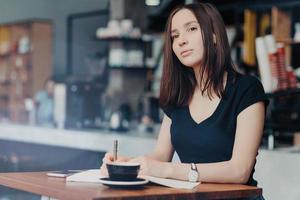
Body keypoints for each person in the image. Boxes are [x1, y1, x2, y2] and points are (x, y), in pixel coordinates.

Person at [101, 2, 268, 198]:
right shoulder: (178, 96)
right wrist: (126, 165)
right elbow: (161, 156)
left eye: (191, 29)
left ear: (214, 35)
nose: (181, 41)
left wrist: (166, 170)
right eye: (175, 36)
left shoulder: (247, 89)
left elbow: (240, 171)